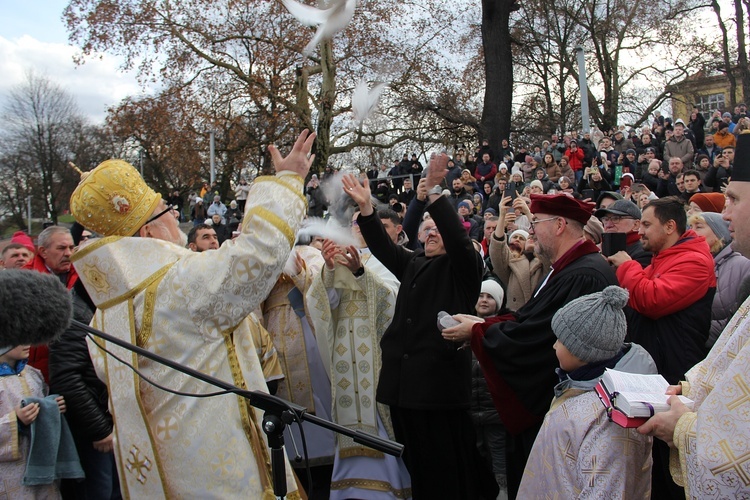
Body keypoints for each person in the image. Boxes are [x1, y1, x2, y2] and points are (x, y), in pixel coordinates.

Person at [67, 130, 316, 498]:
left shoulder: (104, 316)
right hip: (222, 468)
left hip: (172, 473)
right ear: (149, 230)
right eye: (167, 212)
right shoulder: (178, 285)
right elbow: (260, 254)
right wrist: (288, 180)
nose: (175, 221)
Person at [341, 155, 498, 499]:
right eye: (425, 229)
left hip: (437, 391)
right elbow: (383, 247)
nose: (429, 233)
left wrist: (435, 194)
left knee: (447, 469)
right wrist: (367, 208)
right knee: (420, 467)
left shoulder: (464, 268)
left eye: (436, 229)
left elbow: (457, 240)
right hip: (404, 390)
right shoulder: (413, 262)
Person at [442, 193, 618, 497]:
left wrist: (479, 333)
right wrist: (481, 324)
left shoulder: (584, 273)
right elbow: (527, 318)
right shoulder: (565, 268)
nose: (531, 229)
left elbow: (538, 338)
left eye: (536, 222)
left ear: (560, 224)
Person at [636, 132, 750, 498]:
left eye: (732, 199)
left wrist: (685, 426)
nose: (725, 212)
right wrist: (689, 391)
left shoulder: (694, 260)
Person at [608, 196, 715, 498]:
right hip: (658, 371)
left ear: (670, 227)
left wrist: (628, 267)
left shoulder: (694, 260)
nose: (639, 232)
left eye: (646, 224)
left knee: (671, 473)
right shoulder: (663, 256)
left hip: (674, 373)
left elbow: (651, 301)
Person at [306, 213, 410, 500]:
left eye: (362, 223)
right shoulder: (339, 256)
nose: (357, 228)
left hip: (375, 350)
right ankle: (350, 489)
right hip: (344, 348)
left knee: (377, 414)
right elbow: (322, 304)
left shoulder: (389, 260)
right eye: (353, 224)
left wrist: (361, 273)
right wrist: (328, 269)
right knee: (347, 416)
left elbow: (393, 300)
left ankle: (388, 488)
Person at [517, 286, 655, 498]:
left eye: (560, 340)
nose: (554, 346)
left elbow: (608, 488)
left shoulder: (612, 418)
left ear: (582, 352)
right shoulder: (578, 386)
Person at [1, 343, 82, 498]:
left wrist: (53, 407)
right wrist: (15, 420)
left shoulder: (33, 373)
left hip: (43, 473)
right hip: (8, 476)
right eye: (19, 338)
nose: (27, 343)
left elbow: (45, 406)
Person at [469, 280, 509, 498]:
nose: (484, 300)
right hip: (470, 411)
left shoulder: (502, 330)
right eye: (481, 295)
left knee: (499, 458)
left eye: (490, 297)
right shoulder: (461, 327)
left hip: (494, 412)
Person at [23, 226, 78, 383]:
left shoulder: (85, 273)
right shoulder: (24, 280)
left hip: (76, 365)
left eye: (71, 248)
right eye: (61, 248)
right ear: (43, 251)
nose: (68, 253)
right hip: (39, 372)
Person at [688, 212, 750, 348]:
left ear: (718, 233)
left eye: (698, 227)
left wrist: (691, 331)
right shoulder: (693, 263)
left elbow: (737, 319)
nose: (691, 232)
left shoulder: (742, 263)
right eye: (690, 227)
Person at [595, 199, 652, 267]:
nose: (608, 225)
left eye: (615, 218)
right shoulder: (598, 250)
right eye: (605, 219)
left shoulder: (644, 253)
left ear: (636, 224)